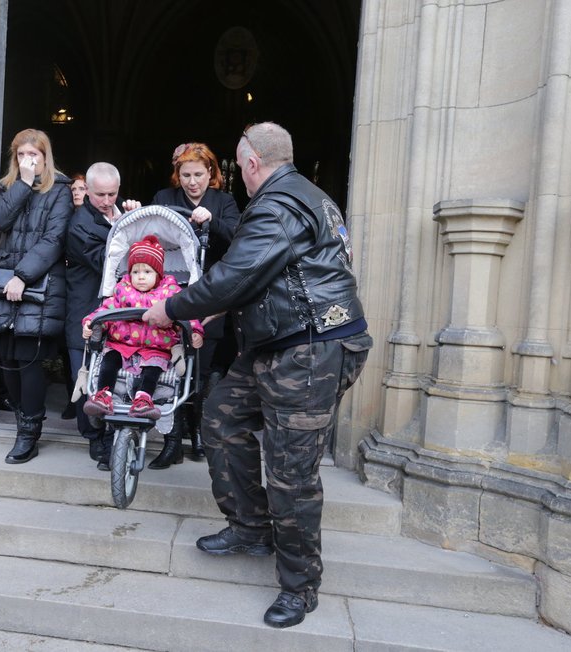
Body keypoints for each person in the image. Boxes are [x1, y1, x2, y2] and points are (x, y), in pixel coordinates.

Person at [143, 122, 373, 629]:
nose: (239, 175)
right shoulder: (298, 196)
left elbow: (236, 276)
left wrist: (173, 308)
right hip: (279, 344)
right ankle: (249, 527)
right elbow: (259, 279)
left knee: (290, 472)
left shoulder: (278, 205)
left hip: (311, 350)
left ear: (249, 163)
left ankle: (300, 587)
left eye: (237, 166)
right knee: (222, 415)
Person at [0, 128, 73, 464]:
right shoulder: (7, 188)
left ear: (46, 156)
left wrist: (23, 276)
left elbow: (54, 238)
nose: (27, 161)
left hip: (38, 281)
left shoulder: (60, 190)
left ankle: (29, 431)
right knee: (4, 356)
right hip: (4, 282)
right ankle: (21, 417)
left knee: (27, 357)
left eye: (34, 155)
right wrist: (23, 183)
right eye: (21, 156)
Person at [150, 142, 240, 466]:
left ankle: (198, 435)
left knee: (200, 371)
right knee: (168, 369)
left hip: (210, 299)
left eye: (198, 175)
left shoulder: (224, 201)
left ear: (211, 173)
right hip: (170, 294)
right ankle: (171, 441)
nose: (192, 182)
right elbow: (152, 235)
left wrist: (211, 220)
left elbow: (236, 237)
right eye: (186, 175)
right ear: (178, 174)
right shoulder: (164, 199)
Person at [64, 162, 140, 468]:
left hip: (117, 314)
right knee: (85, 377)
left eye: (112, 194)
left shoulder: (116, 214)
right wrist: (130, 222)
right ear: (88, 191)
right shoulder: (80, 224)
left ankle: (110, 438)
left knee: (114, 376)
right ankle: (95, 439)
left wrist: (130, 218)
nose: (107, 200)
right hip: (87, 311)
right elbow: (111, 262)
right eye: (99, 195)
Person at [82, 235, 203, 421]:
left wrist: (195, 331)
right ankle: (103, 395)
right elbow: (105, 310)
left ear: (158, 274)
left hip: (156, 348)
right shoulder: (122, 291)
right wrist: (90, 323)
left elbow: (186, 312)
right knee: (109, 359)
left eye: (147, 272)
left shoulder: (170, 293)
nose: (140, 277)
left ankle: (144, 399)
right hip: (122, 345)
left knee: (153, 368)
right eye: (135, 272)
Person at [59, 172, 89, 420]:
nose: (77, 193)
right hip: (66, 291)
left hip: (83, 294)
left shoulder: (91, 220)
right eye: (74, 189)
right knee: (68, 353)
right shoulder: (64, 217)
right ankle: (72, 400)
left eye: (83, 188)